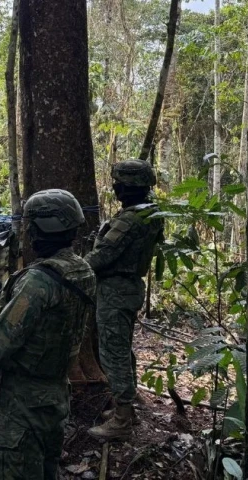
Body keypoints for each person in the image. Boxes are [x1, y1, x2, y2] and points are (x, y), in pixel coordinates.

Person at [0, 189, 96, 480]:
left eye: (31, 227)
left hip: (24, 401)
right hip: (57, 394)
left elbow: (5, 336)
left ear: (41, 229)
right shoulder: (83, 270)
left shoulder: (37, 281)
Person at [85, 159, 164, 442]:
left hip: (116, 289)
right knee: (121, 347)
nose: (115, 186)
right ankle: (126, 408)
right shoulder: (150, 212)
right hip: (128, 287)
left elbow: (103, 256)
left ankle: (122, 419)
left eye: (119, 182)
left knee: (113, 353)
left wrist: (75, 267)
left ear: (129, 186)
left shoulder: (131, 219)